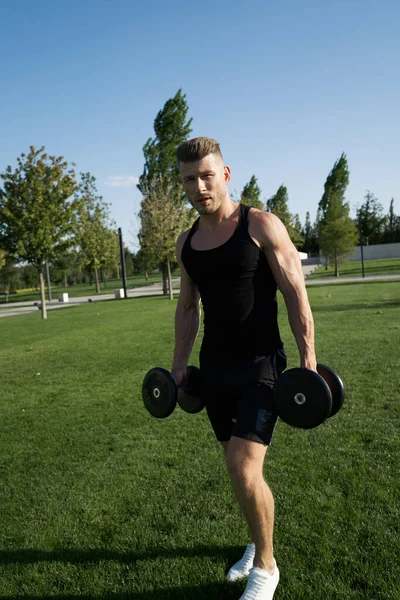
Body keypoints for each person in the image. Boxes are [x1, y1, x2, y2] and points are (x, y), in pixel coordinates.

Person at [171, 137, 317, 600]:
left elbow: (295, 293)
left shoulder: (260, 226)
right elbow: (188, 308)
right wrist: (179, 367)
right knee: (238, 471)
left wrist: (309, 360)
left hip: (262, 365)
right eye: (189, 179)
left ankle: (266, 569)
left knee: (242, 466)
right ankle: (257, 545)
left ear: (226, 174)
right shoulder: (188, 243)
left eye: (207, 175)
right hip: (215, 369)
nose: (199, 186)